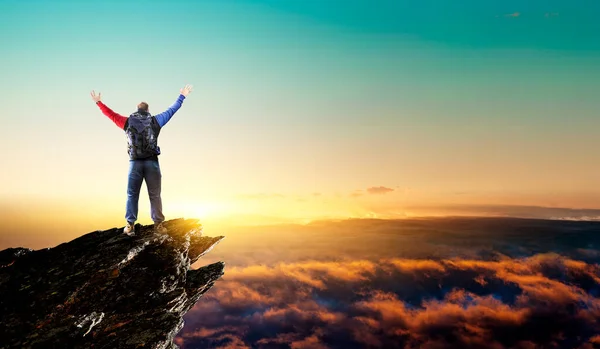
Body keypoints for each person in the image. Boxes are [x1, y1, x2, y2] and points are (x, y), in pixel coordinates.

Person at [90, 84, 193, 235]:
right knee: (155, 194)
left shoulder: (126, 122)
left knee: (132, 194)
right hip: (152, 163)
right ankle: (158, 225)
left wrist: (99, 102)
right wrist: (182, 96)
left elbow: (110, 114)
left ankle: (130, 225)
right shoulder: (156, 121)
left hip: (134, 163)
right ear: (148, 110)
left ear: (137, 109)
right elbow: (172, 110)